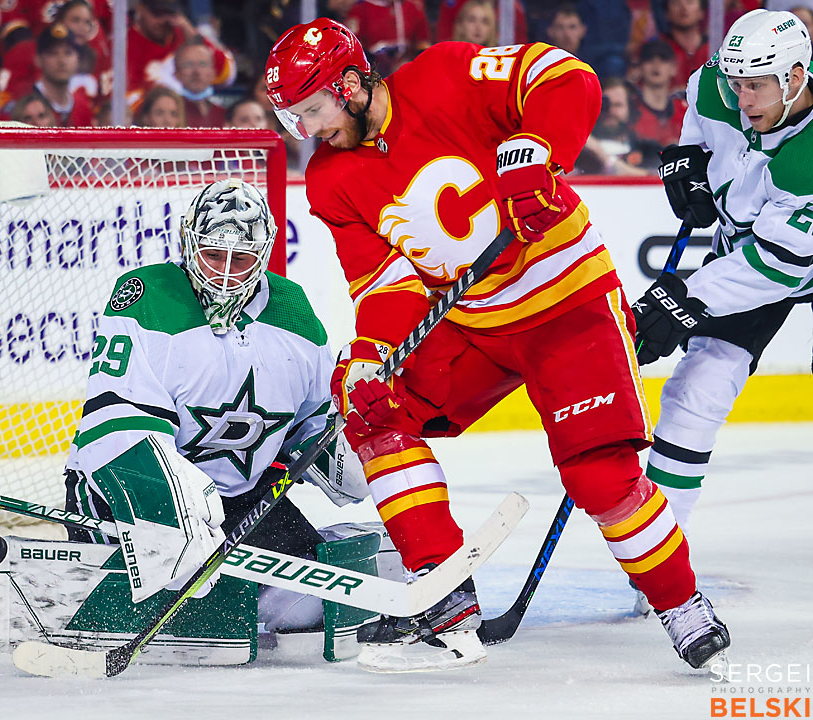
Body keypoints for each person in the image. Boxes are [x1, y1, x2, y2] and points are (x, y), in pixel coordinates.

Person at [265, 17, 730, 672]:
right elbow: (387, 280)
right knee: (373, 408)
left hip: (567, 303)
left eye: (311, 110)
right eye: (294, 118)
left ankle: (681, 605)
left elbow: (567, 78)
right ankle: (443, 589)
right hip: (474, 324)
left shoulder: (445, 74)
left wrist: (538, 150)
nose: (308, 129)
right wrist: (373, 354)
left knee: (599, 477)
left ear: (350, 82)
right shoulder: (331, 178)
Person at [62, 178, 367, 637]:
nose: (226, 273)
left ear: (263, 255)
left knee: (307, 610)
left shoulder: (294, 313)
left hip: (242, 502)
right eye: (213, 255)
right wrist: (175, 512)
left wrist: (356, 444)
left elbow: (314, 420)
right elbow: (116, 425)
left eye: (241, 258)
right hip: (126, 490)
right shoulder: (148, 298)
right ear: (189, 242)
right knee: (178, 601)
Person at [632, 10, 813, 557]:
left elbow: (780, 264)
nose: (742, 99)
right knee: (695, 391)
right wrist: (688, 161)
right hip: (747, 244)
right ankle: (658, 558)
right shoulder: (719, 86)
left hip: (781, 254)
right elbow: (702, 108)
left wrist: (686, 298)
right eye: (736, 84)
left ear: (797, 78)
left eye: (756, 87)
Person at [630, 39, 687, 152]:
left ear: (673, 68)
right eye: (649, 60)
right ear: (640, 67)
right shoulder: (630, 109)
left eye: (663, 59)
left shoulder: (685, 110)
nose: (656, 65)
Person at [174, 37, 225, 127]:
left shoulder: (225, 115)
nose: (196, 72)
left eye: (202, 64)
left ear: (213, 73)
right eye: (188, 65)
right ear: (176, 74)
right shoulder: (170, 113)